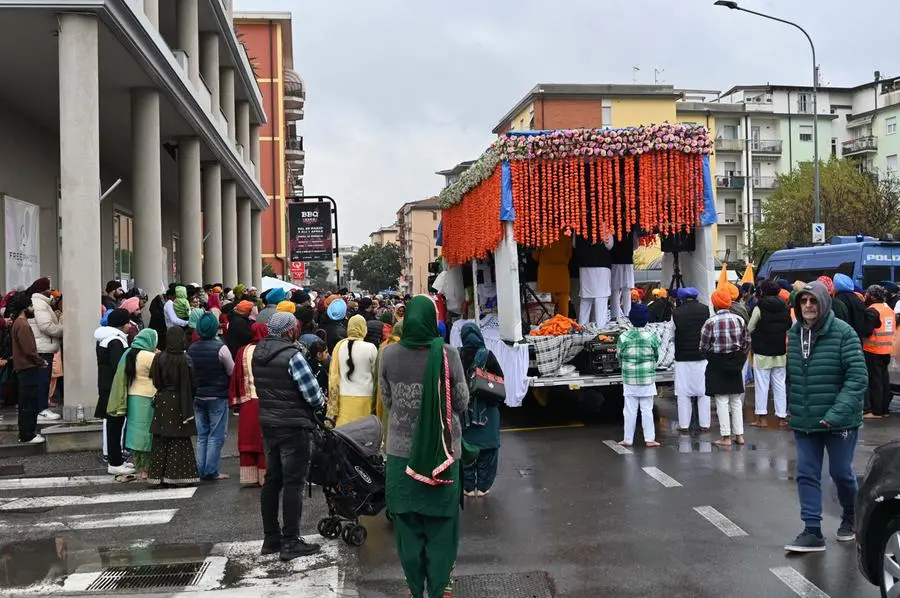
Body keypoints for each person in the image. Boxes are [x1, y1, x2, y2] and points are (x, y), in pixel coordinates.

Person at [379, 296, 468, 597]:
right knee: (442, 525)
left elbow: (388, 401)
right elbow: (461, 402)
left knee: (407, 524)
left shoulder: (388, 355)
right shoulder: (448, 355)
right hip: (442, 453)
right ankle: (440, 588)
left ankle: (414, 588)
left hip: (401, 455)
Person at [783, 281, 868, 553]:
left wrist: (835, 414)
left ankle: (851, 516)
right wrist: (791, 407)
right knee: (806, 473)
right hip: (806, 419)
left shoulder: (845, 334)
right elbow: (792, 376)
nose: (807, 306)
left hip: (839, 420)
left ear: (823, 303)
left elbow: (857, 379)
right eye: (803, 301)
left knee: (841, 473)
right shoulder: (794, 334)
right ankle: (812, 531)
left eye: (813, 301)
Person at [253, 312, 325, 560]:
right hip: (293, 424)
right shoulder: (293, 356)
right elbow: (313, 395)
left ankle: (271, 537)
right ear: (288, 331)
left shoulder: (258, 354)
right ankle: (290, 540)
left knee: (272, 480)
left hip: (269, 423)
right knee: (293, 483)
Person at [147, 327, 200, 486]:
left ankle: (158, 476)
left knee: (161, 437)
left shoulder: (158, 358)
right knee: (179, 437)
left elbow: (155, 381)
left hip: (162, 399)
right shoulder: (186, 359)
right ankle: (176, 475)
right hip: (180, 399)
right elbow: (193, 383)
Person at [459, 323, 505, 497]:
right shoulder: (487, 356)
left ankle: (468, 487)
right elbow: (501, 380)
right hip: (487, 411)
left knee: (466, 449)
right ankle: (483, 486)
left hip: (464, 413)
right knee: (488, 449)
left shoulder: (457, 354)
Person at [106, 328, 158, 480]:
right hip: (148, 396)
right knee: (148, 434)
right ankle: (148, 468)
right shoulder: (150, 356)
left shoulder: (128, 353)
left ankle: (140, 466)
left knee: (136, 433)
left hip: (132, 395)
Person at [700, 289, 749, 447]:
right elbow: (747, 342)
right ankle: (739, 435)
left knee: (721, 400)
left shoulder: (710, 322)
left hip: (717, 362)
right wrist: (739, 357)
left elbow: (703, 346)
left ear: (714, 304)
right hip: (735, 361)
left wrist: (712, 357)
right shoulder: (739, 320)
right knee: (735, 400)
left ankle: (726, 437)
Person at [188, 313, 234, 481]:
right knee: (216, 435)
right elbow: (231, 370)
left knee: (202, 435)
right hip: (217, 395)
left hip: (198, 395)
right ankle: (211, 470)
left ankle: (200, 469)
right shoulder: (221, 348)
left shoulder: (192, 348)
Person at [95, 309, 134, 475]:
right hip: (114, 388)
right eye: (127, 322)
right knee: (115, 425)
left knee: (113, 425)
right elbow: (120, 366)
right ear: (121, 324)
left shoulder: (105, 339)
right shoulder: (116, 342)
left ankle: (116, 459)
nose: (130, 326)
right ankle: (115, 462)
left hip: (106, 386)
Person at [229, 322, 268, 486]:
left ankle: (250, 477)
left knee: (248, 438)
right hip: (266, 400)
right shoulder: (268, 350)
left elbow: (236, 376)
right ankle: (265, 475)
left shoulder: (242, 351)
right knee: (264, 439)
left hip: (247, 400)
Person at [748, 280, 792, 428]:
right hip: (780, 351)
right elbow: (789, 326)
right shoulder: (785, 307)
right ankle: (781, 418)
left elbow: (750, 327)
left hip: (762, 352)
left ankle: (762, 419)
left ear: (763, 292)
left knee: (762, 385)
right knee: (780, 385)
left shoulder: (759, 307)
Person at [616, 303, 660, 448]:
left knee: (629, 410)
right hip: (647, 378)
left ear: (630, 319)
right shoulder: (651, 336)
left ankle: (628, 439)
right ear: (646, 319)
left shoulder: (624, 336)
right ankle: (649, 439)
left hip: (629, 378)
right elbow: (656, 355)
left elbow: (619, 356)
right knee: (647, 409)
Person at [672, 287, 711, 433]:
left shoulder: (676, 313)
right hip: (702, 357)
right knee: (703, 392)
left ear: (681, 299)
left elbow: (671, 333)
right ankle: (705, 424)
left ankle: (684, 425)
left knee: (683, 393)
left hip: (682, 358)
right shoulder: (706, 310)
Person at [328, 314, 378, 427]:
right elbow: (376, 375)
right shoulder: (371, 348)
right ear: (364, 328)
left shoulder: (339, 347)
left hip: (343, 398)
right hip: (366, 398)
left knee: (345, 435)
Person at [9, 293, 44, 444]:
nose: (33, 309)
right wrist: (40, 360)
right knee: (29, 402)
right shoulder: (23, 325)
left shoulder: (17, 323)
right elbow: (29, 349)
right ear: (25, 308)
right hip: (27, 368)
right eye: (31, 305)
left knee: (25, 402)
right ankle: (28, 434)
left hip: (22, 368)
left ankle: (25, 433)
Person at [28, 277, 62, 422]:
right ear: (44, 289)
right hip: (42, 348)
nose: (51, 291)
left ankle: (40, 409)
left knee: (43, 379)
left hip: (42, 346)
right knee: (43, 379)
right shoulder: (40, 304)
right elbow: (46, 326)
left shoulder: (39, 303)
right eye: (49, 288)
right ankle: (41, 410)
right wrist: (62, 328)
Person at [862, 285, 893, 420]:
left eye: (867, 294)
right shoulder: (888, 309)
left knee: (875, 381)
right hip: (887, 349)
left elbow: (867, 330)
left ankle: (876, 411)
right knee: (884, 380)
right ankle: (885, 409)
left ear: (872, 296)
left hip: (873, 350)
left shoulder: (872, 310)